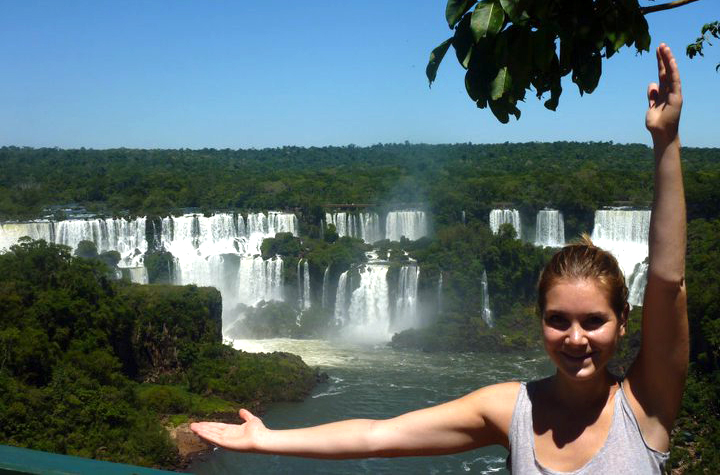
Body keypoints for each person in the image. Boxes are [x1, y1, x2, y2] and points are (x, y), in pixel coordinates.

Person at [190, 44, 687, 473]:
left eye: (593, 321)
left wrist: (665, 143)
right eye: (559, 320)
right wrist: (267, 438)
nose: (575, 338)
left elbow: (667, 281)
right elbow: (377, 437)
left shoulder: (646, 405)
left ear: (623, 322)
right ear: (540, 321)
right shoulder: (511, 410)